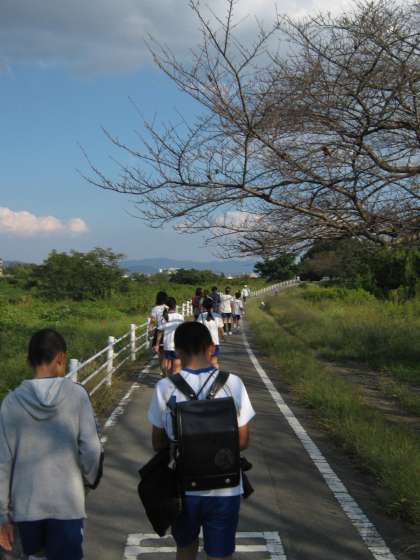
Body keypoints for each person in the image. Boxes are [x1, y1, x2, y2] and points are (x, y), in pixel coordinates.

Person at [148, 322, 256, 560]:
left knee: (185, 548)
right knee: (219, 553)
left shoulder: (165, 387)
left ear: (177, 351)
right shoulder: (233, 383)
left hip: (183, 486)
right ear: (211, 348)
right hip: (225, 487)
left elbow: (158, 443)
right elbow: (243, 440)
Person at [0, 329, 103, 560]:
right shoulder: (76, 396)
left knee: (35, 555)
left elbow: (3, 462)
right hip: (67, 503)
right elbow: (92, 448)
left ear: (29, 360)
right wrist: (87, 481)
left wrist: (2, 514)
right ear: (61, 358)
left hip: (27, 506)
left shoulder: (11, 402)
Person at [154, 297, 184, 376]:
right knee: (177, 368)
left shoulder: (164, 317)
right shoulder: (180, 316)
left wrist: (157, 345)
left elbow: (160, 332)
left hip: (167, 345)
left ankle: (168, 379)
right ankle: (174, 381)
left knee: (169, 367)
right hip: (178, 345)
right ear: (175, 306)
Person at [197, 298, 225, 368]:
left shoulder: (201, 316)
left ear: (204, 306)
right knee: (214, 362)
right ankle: (215, 373)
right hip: (215, 342)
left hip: (204, 343)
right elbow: (221, 329)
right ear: (212, 306)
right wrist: (223, 337)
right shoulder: (217, 316)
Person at [149, 291, 168, 373]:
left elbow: (152, 322)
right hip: (169, 331)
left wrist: (150, 332)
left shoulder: (155, 309)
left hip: (159, 332)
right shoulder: (168, 307)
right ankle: (168, 371)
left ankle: (164, 372)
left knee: (161, 355)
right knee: (168, 353)